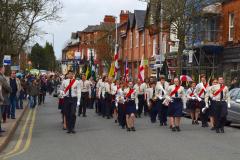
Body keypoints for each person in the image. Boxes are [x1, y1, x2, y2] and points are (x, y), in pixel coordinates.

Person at [0, 65, 11, 132]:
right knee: (0, 114)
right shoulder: (1, 77)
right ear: (0, 69)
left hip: (2, 97)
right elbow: (7, 86)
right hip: (2, 98)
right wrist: (10, 89)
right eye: (3, 69)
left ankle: (0, 128)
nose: (4, 70)